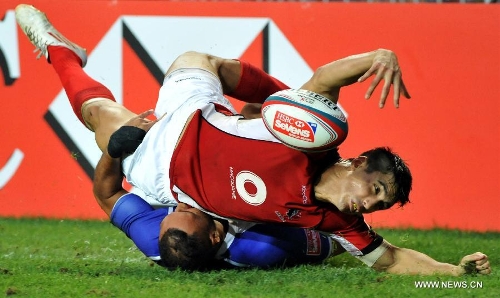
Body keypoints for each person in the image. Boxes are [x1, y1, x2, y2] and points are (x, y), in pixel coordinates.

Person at [15, 4, 491, 275]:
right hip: (191, 116)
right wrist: (379, 55)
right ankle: (66, 54)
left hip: (163, 170)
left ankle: (62, 53)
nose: (370, 205)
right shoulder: (311, 140)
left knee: (96, 116)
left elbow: (389, 259)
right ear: (356, 162)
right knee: (200, 59)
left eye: (379, 205)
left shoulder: (329, 218)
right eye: (377, 190)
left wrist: (455, 276)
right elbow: (326, 78)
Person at [15, 4, 347, 270]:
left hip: (166, 155)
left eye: (174, 210)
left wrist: (116, 152)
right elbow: (333, 243)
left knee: (100, 117)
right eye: (189, 211)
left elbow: (106, 194)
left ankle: (61, 53)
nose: (184, 203)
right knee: (232, 91)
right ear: (218, 235)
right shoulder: (262, 246)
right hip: (231, 146)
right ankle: (296, 102)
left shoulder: (156, 238)